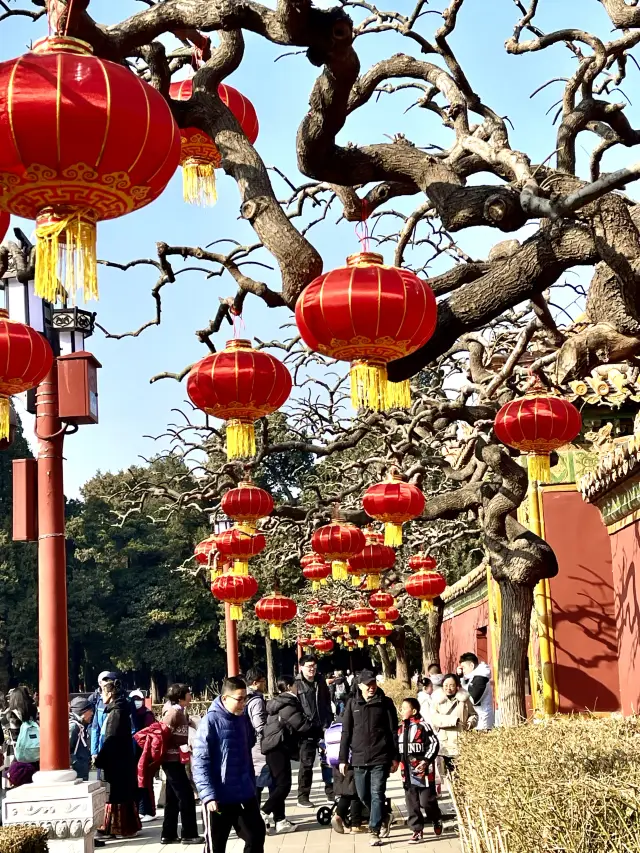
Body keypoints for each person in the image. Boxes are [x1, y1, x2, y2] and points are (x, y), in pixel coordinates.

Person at [192, 676, 265, 853]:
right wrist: (208, 795)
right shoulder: (210, 721)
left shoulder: (243, 719)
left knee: (256, 836)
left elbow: (248, 746)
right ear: (225, 698)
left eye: (245, 698)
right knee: (216, 846)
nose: (243, 703)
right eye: (239, 699)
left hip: (244, 792)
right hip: (218, 797)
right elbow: (200, 761)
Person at [339, 670, 399, 846]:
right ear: (359, 686)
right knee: (363, 794)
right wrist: (343, 759)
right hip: (358, 757)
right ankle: (384, 815)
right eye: (368, 685)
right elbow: (346, 733)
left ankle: (375, 830)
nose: (371, 688)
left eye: (373, 684)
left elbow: (393, 732)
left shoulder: (385, 703)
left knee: (377, 793)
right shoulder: (352, 704)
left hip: (380, 757)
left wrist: (395, 757)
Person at [261, 675, 313, 834]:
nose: (298, 689)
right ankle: (264, 811)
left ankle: (280, 820)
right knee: (284, 785)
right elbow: (302, 725)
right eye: (296, 686)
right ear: (290, 686)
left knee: (278, 785)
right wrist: (320, 730)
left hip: (272, 747)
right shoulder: (288, 703)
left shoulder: (278, 702)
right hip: (278, 747)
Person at [95, 679, 141, 838]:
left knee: (117, 795)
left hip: (117, 761)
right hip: (123, 759)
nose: (101, 696)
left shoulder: (116, 712)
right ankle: (125, 827)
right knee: (123, 793)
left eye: (102, 692)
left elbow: (111, 740)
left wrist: (100, 759)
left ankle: (117, 828)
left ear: (109, 693)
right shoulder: (120, 709)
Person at [160, 683, 202, 844]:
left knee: (172, 798)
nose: (191, 696)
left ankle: (168, 834)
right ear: (180, 697)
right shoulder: (173, 713)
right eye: (188, 694)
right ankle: (189, 834)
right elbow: (164, 736)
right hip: (171, 760)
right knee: (186, 796)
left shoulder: (181, 712)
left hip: (176, 760)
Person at [398, 697, 442, 843]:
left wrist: (425, 761)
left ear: (414, 711)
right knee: (412, 802)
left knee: (426, 801)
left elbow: (434, 744)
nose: (401, 710)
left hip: (423, 771)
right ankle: (417, 830)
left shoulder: (423, 726)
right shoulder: (400, 728)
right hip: (407, 772)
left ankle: (436, 818)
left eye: (405, 708)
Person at [295, 654, 333, 807]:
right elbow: (295, 706)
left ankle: (331, 792)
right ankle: (303, 796)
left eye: (314, 666)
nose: (312, 669)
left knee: (329, 761)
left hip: (323, 726)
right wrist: (303, 725)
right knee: (306, 764)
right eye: (308, 666)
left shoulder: (320, 681)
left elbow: (326, 702)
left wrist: (329, 721)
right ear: (301, 667)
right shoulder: (296, 684)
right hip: (307, 729)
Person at [430, 673, 478, 774]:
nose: (448, 688)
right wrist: (453, 720)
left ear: (457, 686)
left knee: (462, 771)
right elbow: (434, 718)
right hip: (445, 742)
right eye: (446, 685)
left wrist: (470, 722)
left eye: (451, 685)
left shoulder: (464, 700)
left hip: (461, 739)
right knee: (449, 770)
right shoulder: (437, 700)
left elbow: (474, 715)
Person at [130, 690, 156, 822]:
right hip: (133, 753)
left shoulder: (147, 714)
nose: (136, 701)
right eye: (133, 699)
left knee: (145, 781)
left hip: (145, 752)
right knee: (136, 781)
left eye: (138, 699)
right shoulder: (129, 715)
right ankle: (140, 809)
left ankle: (148, 810)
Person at [244, 668, 271, 801]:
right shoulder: (256, 701)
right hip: (258, 745)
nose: (264, 684)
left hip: (248, 742)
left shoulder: (244, 697)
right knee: (263, 780)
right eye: (263, 681)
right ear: (255, 683)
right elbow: (259, 725)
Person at [90, 671, 118, 772]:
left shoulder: (123, 705)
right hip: (102, 746)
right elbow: (95, 728)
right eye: (103, 682)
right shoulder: (99, 703)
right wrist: (94, 751)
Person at [459, 653, 495, 730]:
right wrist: (460, 677)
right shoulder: (474, 677)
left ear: (471, 665)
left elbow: (472, 699)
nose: (463, 670)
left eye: (464, 667)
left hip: (482, 722)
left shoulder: (480, 679)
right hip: (478, 720)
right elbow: (466, 689)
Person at [69, 696, 94, 781]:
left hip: (81, 769)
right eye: (90, 711)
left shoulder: (81, 726)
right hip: (77, 771)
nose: (92, 713)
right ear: (82, 711)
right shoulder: (74, 727)